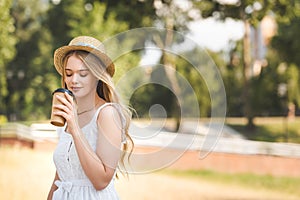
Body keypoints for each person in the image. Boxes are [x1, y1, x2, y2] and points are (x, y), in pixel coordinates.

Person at [47, 36, 133, 200]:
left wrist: (75, 130)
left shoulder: (107, 114)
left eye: (83, 74)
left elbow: (101, 180)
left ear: (97, 76)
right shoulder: (67, 115)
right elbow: (60, 177)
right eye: (69, 73)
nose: (74, 80)